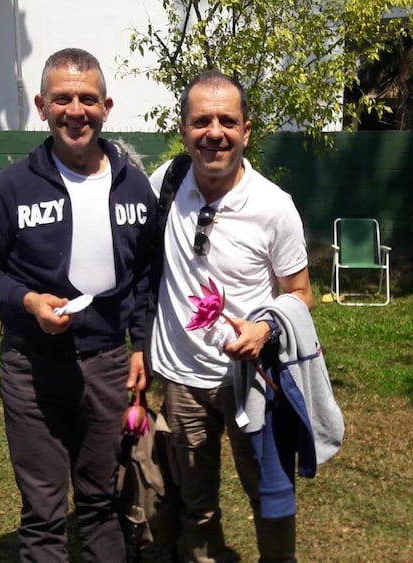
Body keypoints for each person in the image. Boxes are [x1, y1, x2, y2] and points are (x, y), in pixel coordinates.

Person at [0, 48, 156, 562]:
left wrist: (141, 345)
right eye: (63, 98)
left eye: (87, 99)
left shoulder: (133, 184)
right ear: (41, 106)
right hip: (32, 370)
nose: (75, 111)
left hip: (108, 365)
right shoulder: (12, 187)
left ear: (106, 107)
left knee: (101, 501)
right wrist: (27, 301)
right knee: (44, 514)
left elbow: (144, 275)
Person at [147, 69, 314, 563]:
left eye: (227, 121)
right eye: (201, 121)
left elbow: (301, 293)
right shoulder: (165, 183)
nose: (214, 132)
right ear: (183, 130)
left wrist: (266, 327)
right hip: (181, 379)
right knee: (195, 502)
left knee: (269, 495)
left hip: (251, 380)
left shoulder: (273, 207)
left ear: (246, 130)